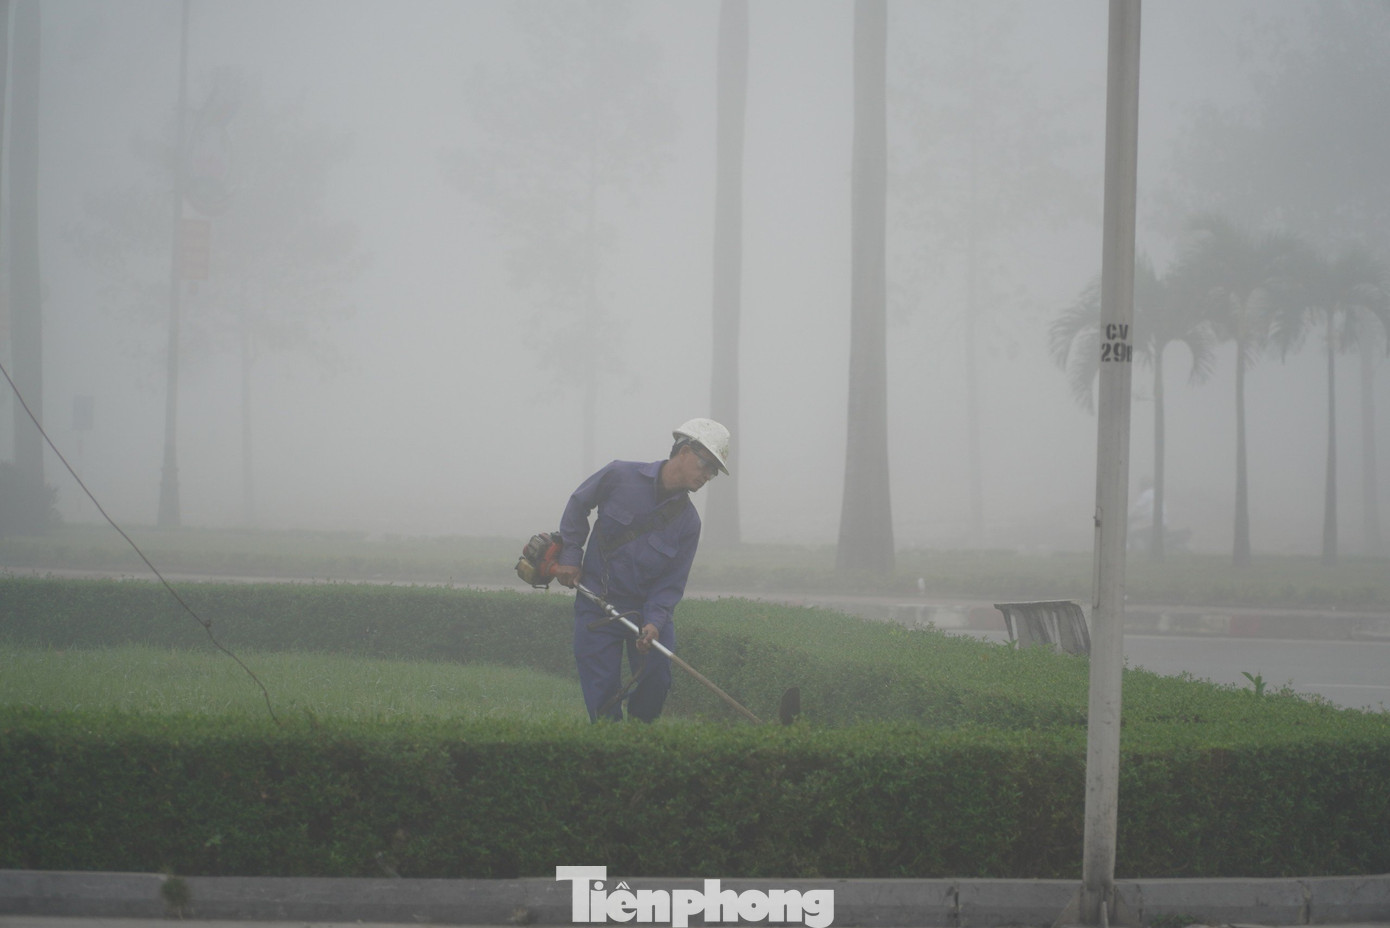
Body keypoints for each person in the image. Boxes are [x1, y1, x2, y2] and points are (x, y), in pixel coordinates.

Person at [552, 418, 731, 722]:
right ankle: (610, 745)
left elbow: (671, 583)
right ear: (685, 451)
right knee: (602, 691)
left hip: (645, 611)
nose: (707, 476)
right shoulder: (620, 474)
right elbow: (578, 503)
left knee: (657, 677)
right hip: (597, 604)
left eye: (713, 471)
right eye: (705, 464)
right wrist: (571, 555)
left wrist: (655, 622)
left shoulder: (689, 523)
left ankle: (639, 737)